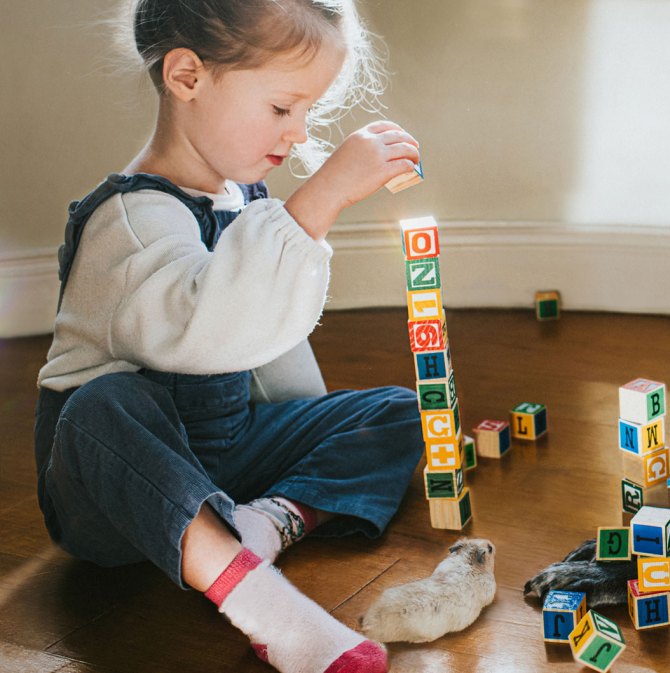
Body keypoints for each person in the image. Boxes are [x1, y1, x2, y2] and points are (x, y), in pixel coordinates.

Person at [33, 2, 425, 671]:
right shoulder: (129, 218)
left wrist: (316, 429)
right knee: (100, 406)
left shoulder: (241, 197)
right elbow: (203, 330)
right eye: (281, 108)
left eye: (308, 112)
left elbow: (268, 344)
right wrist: (317, 201)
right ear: (187, 76)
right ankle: (262, 603)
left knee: (396, 410)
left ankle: (260, 523)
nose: (299, 134)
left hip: (224, 454)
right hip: (110, 488)